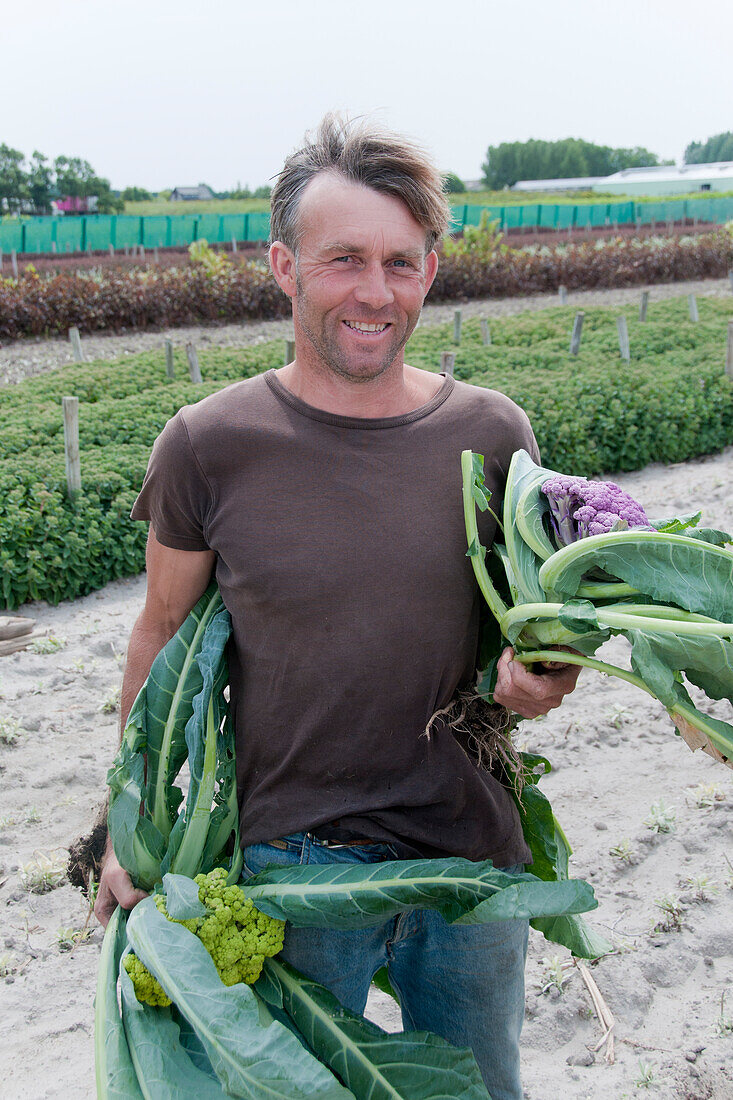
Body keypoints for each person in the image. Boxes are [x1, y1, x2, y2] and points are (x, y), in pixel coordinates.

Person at [94, 114, 580, 1099]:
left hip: (470, 860)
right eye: (343, 259)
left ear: (431, 272)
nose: (375, 291)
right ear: (283, 265)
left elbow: (531, 634)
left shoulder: (494, 431)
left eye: (401, 262)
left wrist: (545, 675)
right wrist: (126, 825)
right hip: (292, 871)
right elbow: (160, 635)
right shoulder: (207, 443)